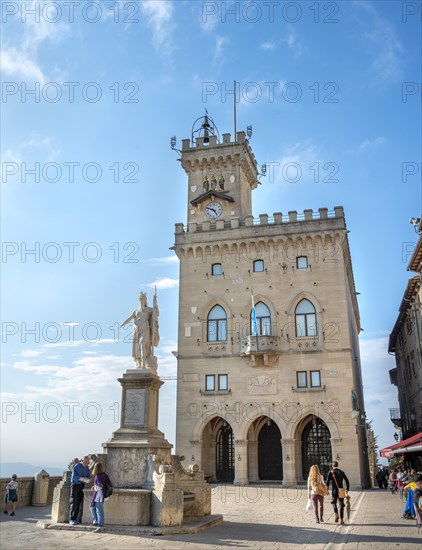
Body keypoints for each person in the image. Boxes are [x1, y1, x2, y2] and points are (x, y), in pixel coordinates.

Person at [121, 292, 159, 369]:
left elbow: (156, 313)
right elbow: (130, 318)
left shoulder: (148, 309)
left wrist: (155, 303)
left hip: (145, 329)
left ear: (145, 300)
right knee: (137, 348)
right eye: (140, 298)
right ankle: (139, 363)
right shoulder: (136, 310)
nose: (141, 300)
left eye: (143, 298)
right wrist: (124, 323)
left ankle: (144, 364)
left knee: (142, 345)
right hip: (137, 330)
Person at [90, 462, 112, 533]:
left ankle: (100, 526)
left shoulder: (98, 476)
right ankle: (96, 521)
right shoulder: (104, 475)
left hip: (99, 496)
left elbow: (100, 486)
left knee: (99, 511)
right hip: (100, 495)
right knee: (92, 507)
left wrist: (94, 488)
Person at [69, 455, 91, 525]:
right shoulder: (77, 466)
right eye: (87, 461)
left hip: (82, 486)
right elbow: (74, 477)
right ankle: (72, 518)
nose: (88, 463)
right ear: (83, 461)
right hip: (75, 485)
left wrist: (87, 479)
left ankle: (77, 518)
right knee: (74, 502)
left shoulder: (87, 467)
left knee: (79, 502)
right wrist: (82, 478)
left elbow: (88, 476)